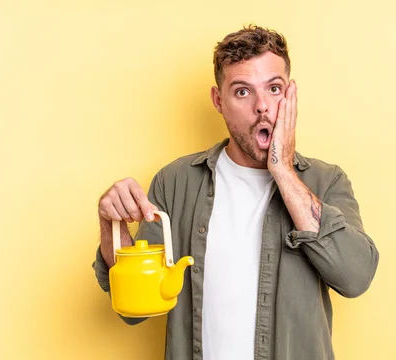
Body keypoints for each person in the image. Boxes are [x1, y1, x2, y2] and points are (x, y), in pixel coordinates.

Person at [92, 24, 379, 360]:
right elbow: (134, 308)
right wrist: (112, 226)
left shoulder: (325, 181)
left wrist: (283, 171)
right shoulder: (175, 182)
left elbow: (356, 277)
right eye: (242, 92)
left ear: (290, 95)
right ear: (219, 101)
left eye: (274, 88)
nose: (262, 106)